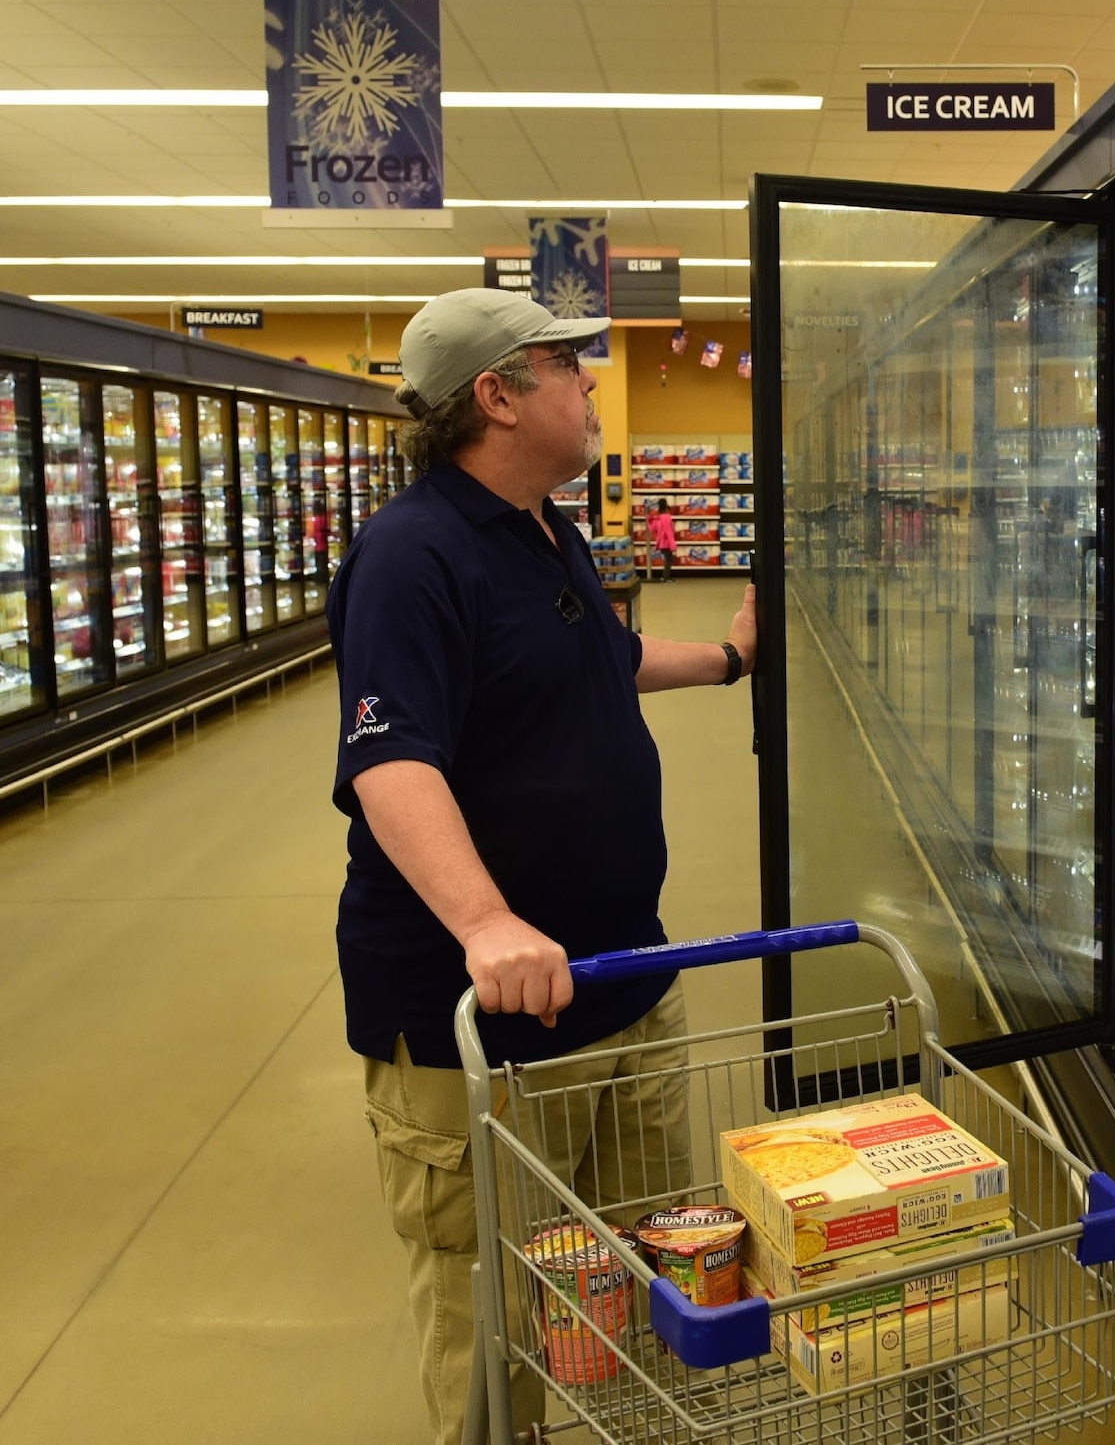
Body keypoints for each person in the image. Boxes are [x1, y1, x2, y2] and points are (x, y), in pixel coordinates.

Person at [326, 286, 757, 1444]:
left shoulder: (540, 525)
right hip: (486, 1010)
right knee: (497, 1305)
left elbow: (600, 662)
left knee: (641, 1258)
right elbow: (388, 757)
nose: (591, 385)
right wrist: (485, 921)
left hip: (624, 978)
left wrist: (727, 658)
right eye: (568, 366)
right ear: (497, 397)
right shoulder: (410, 555)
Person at [646, 502, 677, 580]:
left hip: (661, 543)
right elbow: (668, 531)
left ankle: (666, 576)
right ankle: (666, 577)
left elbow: (652, 529)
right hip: (667, 542)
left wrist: (649, 519)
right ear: (666, 510)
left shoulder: (657, 519)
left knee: (668, 559)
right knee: (669, 560)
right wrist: (672, 544)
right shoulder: (666, 518)